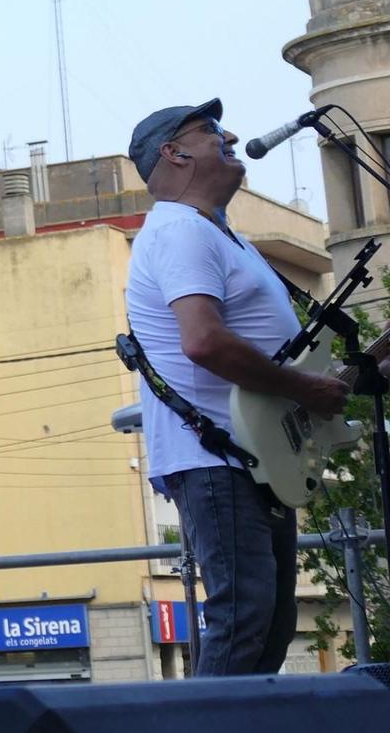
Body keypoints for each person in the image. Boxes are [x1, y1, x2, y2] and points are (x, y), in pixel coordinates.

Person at [123, 99, 361, 675]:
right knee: (243, 619)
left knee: (269, 628)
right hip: (216, 457)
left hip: (252, 453)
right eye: (209, 130)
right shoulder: (180, 230)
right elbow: (203, 341)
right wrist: (305, 390)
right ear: (172, 153)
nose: (229, 135)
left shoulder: (220, 235)